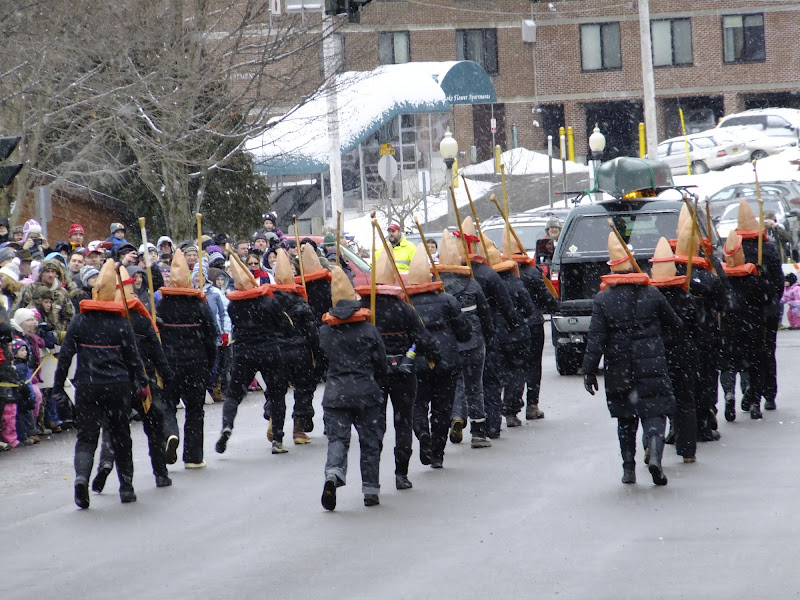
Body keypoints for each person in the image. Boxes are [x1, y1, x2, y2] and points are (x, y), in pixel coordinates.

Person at [582, 233, 681, 486]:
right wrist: (659, 342)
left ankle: (628, 468)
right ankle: (655, 455)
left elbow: (596, 338)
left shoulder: (603, 300)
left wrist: (589, 370)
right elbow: (675, 325)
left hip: (619, 368)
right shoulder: (653, 294)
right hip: (653, 364)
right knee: (655, 413)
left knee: (626, 419)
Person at [52, 259, 148, 508]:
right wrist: (142, 382)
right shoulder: (121, 323)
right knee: (121, 436)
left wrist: (58, 386)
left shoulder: (79, 321)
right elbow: (134, 358)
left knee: (86, 437)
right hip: (118, 385)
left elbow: (65, 356)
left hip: (88, 385)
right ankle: (126, 488)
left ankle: (82, 478)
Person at [356, 251, 439, 488]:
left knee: (375, 426)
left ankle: (371, 481)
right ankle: (401, 474)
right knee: (403, 423)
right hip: (403, 373)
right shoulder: (404, 309)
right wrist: (435, 355)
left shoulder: (362, 308)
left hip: (374, 374)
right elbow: (422, 338)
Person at [92, 269, 176, 492]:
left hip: (115, 381)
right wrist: (167, 377)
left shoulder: (104, 322)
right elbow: (158, 353)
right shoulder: (141, 320)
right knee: (154, 429)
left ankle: (109, 465)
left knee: (114, 429)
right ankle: (160, 474)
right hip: (144, 381)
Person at [319, 267, 387, 510]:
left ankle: (333, 473)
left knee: (338, 439)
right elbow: (381, 363)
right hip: (366, 392)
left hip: (336, 394)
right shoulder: (369, 329)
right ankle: (370, 490)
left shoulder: (325, 332)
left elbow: (321, 361)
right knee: (370, 441)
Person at [215, 254, 289, 455]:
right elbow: (281, 324)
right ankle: (278, 439)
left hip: (244, 353)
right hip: (269, 350)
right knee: (277, 394)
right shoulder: (269, 302)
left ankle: (227, 425)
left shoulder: (233, 305)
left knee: (233, 394)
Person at [406, 244, 470, 469]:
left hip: (417, 363)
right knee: (442, 408)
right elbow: (464, 332)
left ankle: (422, 433)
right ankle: (437, 453)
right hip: (447, 361)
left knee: (418, 404)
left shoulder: (407, 304)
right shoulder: (448, 300)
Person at [159, 249, 217, 469]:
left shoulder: (161, 306)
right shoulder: (199, 305)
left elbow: (155, 337)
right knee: (195, 409)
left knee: (168, 404)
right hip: (196, 363)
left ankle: (170, 433)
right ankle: (193, 456)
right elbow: (211, 336)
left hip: (169, 363)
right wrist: (210, 363)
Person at [439, 230, 494, 449]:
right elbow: (485, 315)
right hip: (474, 342)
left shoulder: (437, 286)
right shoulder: (472, 285)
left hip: (449, 345)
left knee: (455, 384)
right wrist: (488, 336)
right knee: (475, 386)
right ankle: (479, 432)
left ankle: (456, 415)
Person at [649, 237, 698, 463]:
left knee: (656, 403)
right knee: (685, 402)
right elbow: (694, 326)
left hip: (657, 355)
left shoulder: (649, 298)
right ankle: (687, 450)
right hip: (683, 355)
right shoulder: (685, 297)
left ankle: (653, 442)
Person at [503, 225, 559, 421]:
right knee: (533, 366)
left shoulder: (500, 275)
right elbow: (545, 297)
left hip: (509, 325)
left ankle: (511, 409)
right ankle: (532, 405)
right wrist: (556, 306)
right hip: (532, 324)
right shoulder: (532, 272)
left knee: (513, 367)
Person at [735, 199, 783, 414]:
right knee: (768, 352)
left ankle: (751, 392)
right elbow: (779, 282)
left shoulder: (735, 250)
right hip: (767, 309)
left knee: (749, 353)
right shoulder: (769, 249)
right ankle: (769, 395)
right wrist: (770, 299)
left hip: (745, 311)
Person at [268, 250, 319, 445]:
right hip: (300, 353)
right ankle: (298, 429)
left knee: (276, 390)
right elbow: (312, 332)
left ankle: (273, 418)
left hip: (277, 352)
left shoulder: (267, 304)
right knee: (303, 388)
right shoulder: (301, 303)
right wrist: (318, 354)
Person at [719, 231, 771, 421]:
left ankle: (729, 393)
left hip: (728, 329)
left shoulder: (722, 282)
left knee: (728, 366)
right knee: (754, 365)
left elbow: (717, 303)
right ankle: (754, 401)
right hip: (752, 329)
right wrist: (762, 275)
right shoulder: (755, 280)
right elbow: (768, 298)